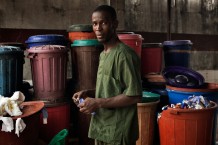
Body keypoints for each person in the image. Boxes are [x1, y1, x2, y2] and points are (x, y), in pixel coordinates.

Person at [72, 5, 142, 145]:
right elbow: (112, 87)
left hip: (119, 130)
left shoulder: (124, 55)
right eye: (94, 23)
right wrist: (88, 93)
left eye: (103, 23)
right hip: (103, 127)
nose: (98, 28)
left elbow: (134, 95)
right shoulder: (103, 54)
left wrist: (97, 103)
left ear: (114, 24)